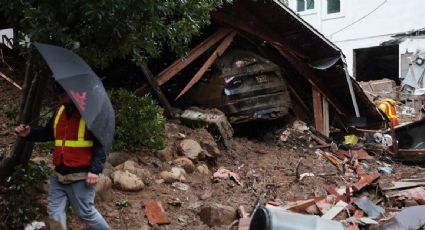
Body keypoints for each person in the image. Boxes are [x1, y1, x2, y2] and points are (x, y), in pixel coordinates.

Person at [15, 83, 110, 230]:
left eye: (63, 95)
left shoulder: (89, 114)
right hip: (59, 173)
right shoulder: (59, 111)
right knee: (55, 213)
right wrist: (29, 133)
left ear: (73, 94)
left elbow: (101, 143)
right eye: (59, 96)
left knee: (85, 212)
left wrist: (95, 170)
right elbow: (48, 133)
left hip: (80, 175)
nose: (61, 99)